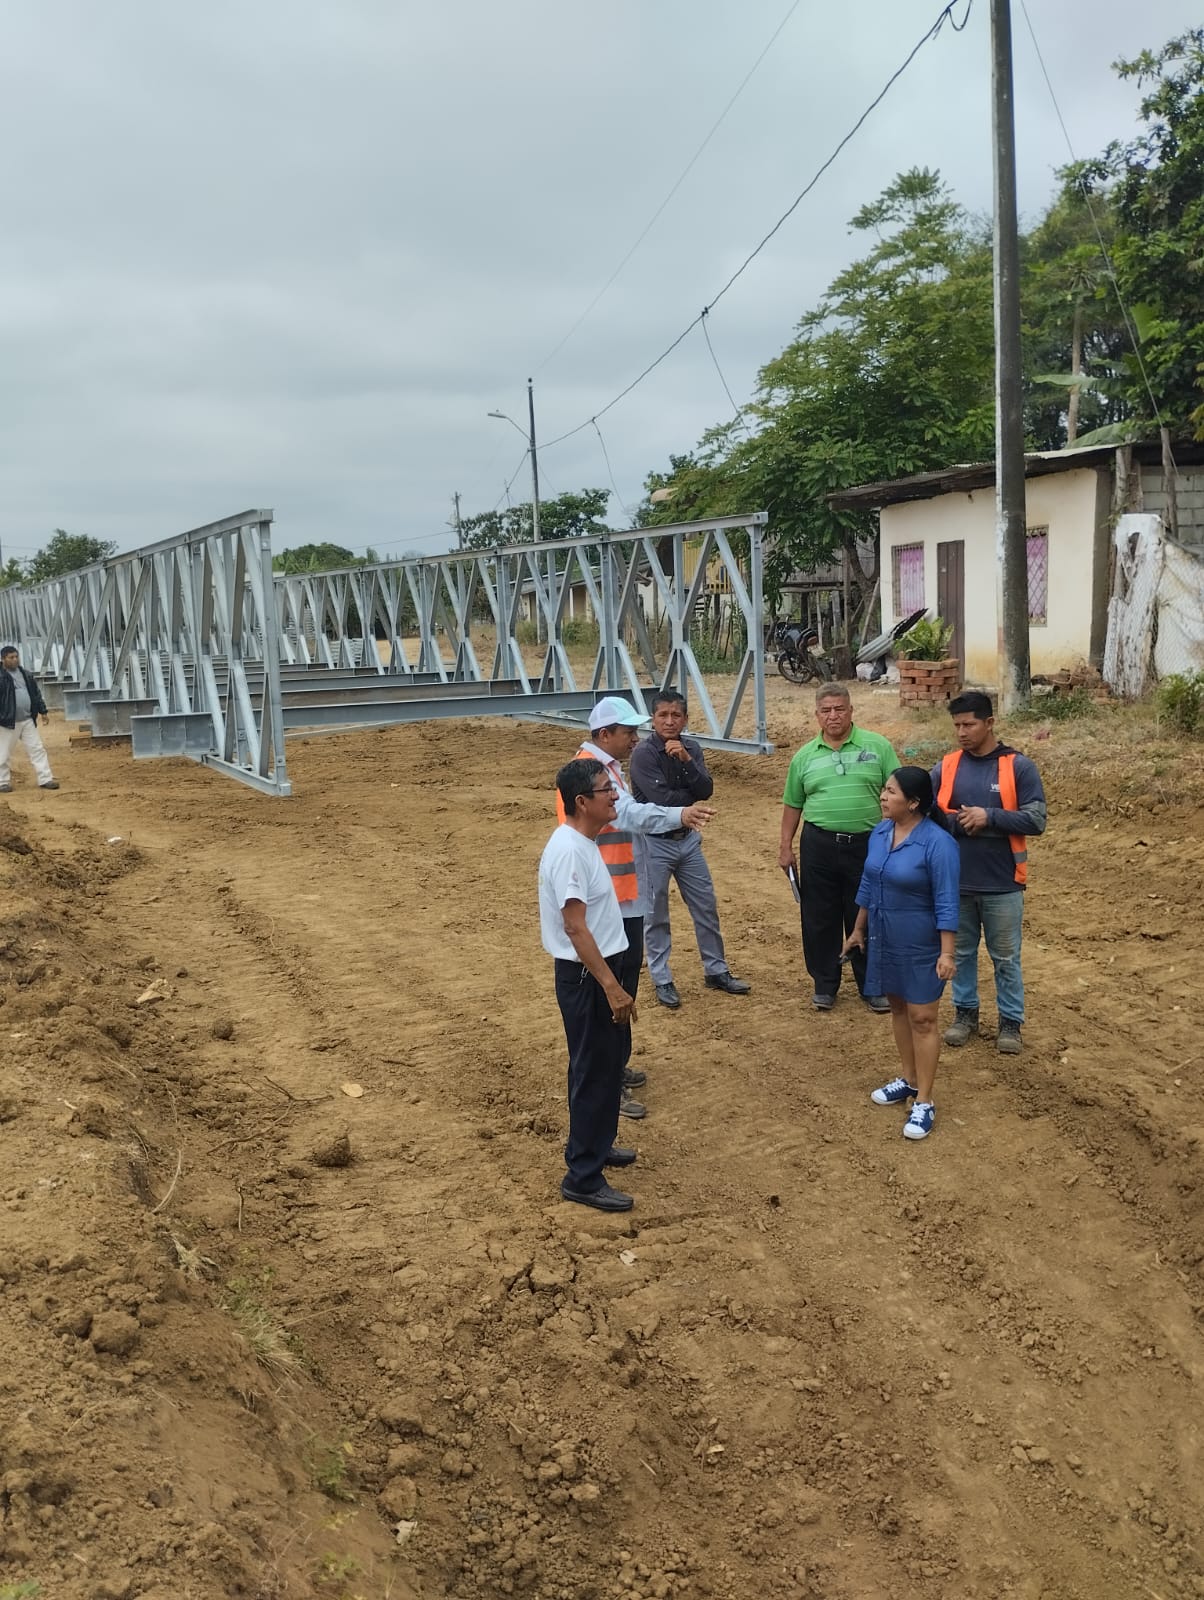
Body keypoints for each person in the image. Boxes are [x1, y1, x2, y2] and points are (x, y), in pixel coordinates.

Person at [557, 696, 715, 1112]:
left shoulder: (605, 768)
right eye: (628, 732)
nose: (635, 738)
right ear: (604, 734)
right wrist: (679, 816)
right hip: (607, 902)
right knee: (607, 995)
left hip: (621, 897)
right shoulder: (591, 774)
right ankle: (607, 1080)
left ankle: (615, 1065)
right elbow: (629, 816)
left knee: (622, 988)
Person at [539, 758, 639, 1213]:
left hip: (597, 972)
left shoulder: (583, 842)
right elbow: (575, 928)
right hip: (588, 978)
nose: (615, 795)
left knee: (603, 1066)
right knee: (593, 1072)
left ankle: (597, 1143)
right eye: (606, 789)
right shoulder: (570, 852)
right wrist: (611, 987)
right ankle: (582, 1176)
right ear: (582, 802)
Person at [841, 767, 960, 1142]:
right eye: (884, 790)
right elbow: (868, 882)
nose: (883, 796)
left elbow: (947, 901)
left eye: (891, 792)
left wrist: (947, 953)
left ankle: (925, 1100)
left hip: (921, 942)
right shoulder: (880, 833)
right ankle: (909, 1080)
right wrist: (858, 930)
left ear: (913, 802)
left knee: (923, 1018)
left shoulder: (939, 844)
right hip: (884, 935)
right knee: (897, 1008)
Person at [931, 691, 1047, 1056]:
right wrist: (962, 822)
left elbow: (1036, 819)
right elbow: (928, 814)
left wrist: (989, 817)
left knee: (1006, 958)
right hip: (956, 881)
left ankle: (1010, 1022)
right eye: (957, 725)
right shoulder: (947, 767)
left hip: (1003, 883)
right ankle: (965, 1014)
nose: (962, 732)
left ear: (990, 723)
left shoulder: (1018, 767)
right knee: (961, 953)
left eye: (969, 724)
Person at [778, 685, 898, 1012]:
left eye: (840, 709)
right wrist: (785, 846)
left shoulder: (878, 746)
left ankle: (871, 985)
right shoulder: (804, 756)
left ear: (851, 711)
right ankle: (825, 983)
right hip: (819, 845)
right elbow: (793, 803)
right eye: (826, 710)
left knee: (867, 911)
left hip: (868, 845)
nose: (834, 716)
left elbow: (898, 791)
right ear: (817, 715)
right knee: (819, 915)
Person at [629, 689, 750, 1008]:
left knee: (705, 906)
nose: (669, 721)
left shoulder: (691, 748)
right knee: (655, 913)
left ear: (685, 719)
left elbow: (705, 790)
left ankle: (716, 970)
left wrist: (685, 761)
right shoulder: (643, 754)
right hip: (654, 842)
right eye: (663, 715)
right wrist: (688, 798)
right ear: (653, 719)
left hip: (688, 840)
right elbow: (661, 800)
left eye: (676, 715)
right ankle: (662, 978)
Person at [0, 646, 59, 793]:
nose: (15, 660)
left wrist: (43, 711)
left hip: (27, 720)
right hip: (7, 722)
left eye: (16, 656)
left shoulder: (26, 674)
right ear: (3, 659)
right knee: (3, 752)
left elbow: (35, 694)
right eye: (11, 657)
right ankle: (2, 782)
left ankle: (45, 779)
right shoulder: (1, 676)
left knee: (37, 749)